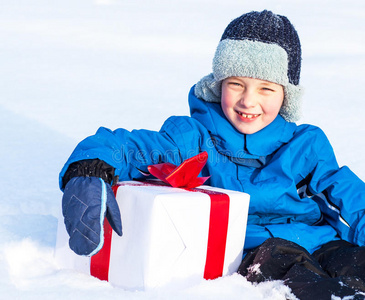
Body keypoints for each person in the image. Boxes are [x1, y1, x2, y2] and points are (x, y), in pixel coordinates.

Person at [59, 10, 365, 299]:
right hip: (255, 251)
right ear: (218, 85)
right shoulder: (193, 138)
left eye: (266, 89)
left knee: (355, 262)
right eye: (236, 84)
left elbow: (347, 194)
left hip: (321, 243)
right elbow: (131, 148)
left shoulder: (306, 144)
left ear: (286, 95)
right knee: (290, 269)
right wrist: (90, 168)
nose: (248, 101)